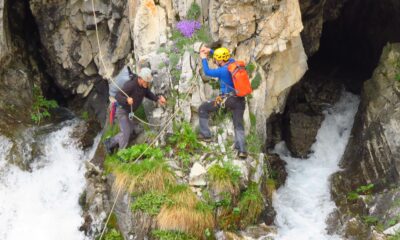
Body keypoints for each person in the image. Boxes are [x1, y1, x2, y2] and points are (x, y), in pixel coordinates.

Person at [198, 47, 247, 159]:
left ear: (221, 60)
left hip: (228, 99)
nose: (215, 61)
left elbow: (207, 72)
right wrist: (210, 50)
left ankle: (206, 135)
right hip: (240, 100)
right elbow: (220, 55)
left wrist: (204, 59)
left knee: (203, 107)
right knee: (238, 124)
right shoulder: (233, 63)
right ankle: (242, 150)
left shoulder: (222, 71)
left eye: (216, 59)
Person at [104, 67, 167, 153]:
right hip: (122, 111)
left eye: (148, 82)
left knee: (131, 131)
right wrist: (126, 100)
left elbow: (147, 93)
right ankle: (122, 153)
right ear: (140, 79)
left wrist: (157, 99)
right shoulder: (131, 85)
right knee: (126, 134)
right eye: (146, 82)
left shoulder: (143, 86)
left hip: (129, 112)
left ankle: (110, 142)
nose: (147, 84)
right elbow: (118, 96)